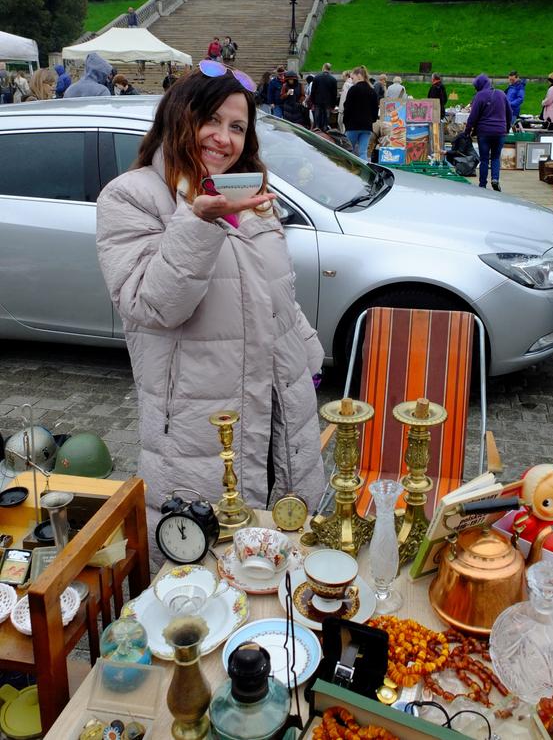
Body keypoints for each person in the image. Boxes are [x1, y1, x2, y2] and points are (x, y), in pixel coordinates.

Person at [95, 64, 326, 548]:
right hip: (202, 432)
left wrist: (308, 358)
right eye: (212, 121)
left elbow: (279, 293)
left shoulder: (250, 196)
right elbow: (154, 305)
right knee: (206, 570)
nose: (223, 139)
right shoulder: (132, 197)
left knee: (281, 559)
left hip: (281, 415)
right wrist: (198, 220)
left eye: (237, 127)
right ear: (181, 118)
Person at [464, 73, 511, 191]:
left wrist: (467, 131)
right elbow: (509, 112)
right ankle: (495, 179)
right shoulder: (501, 94)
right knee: (495, 157)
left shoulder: (479, 96)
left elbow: (473, 117)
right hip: (500, 132)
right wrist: (506, 128)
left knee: (484, 159)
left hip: (484, 132)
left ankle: (482, 185)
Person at [342, 65, 379, 162]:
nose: (352, 80)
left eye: (352, 77)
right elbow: (375, 110)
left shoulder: (353, 89)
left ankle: (347, 172)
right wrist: (371, 120)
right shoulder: (372, 91)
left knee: (347, 151)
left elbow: (347, 108)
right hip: (367, 126)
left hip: (353, 125)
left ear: (359, 75)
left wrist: (345, 123)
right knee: (363, 153)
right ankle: (364, 174)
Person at [310, 63, 337, 131]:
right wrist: (333, 105)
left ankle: (317, 130)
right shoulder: (333, 79)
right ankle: (325, 131)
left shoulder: (316, 77)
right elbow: (334, 94)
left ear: (323, 68)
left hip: (317, 102)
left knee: (317, 119)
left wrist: (312, 102)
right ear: (329, 69)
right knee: (326, 120)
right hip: (328, 103)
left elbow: (313, 91)